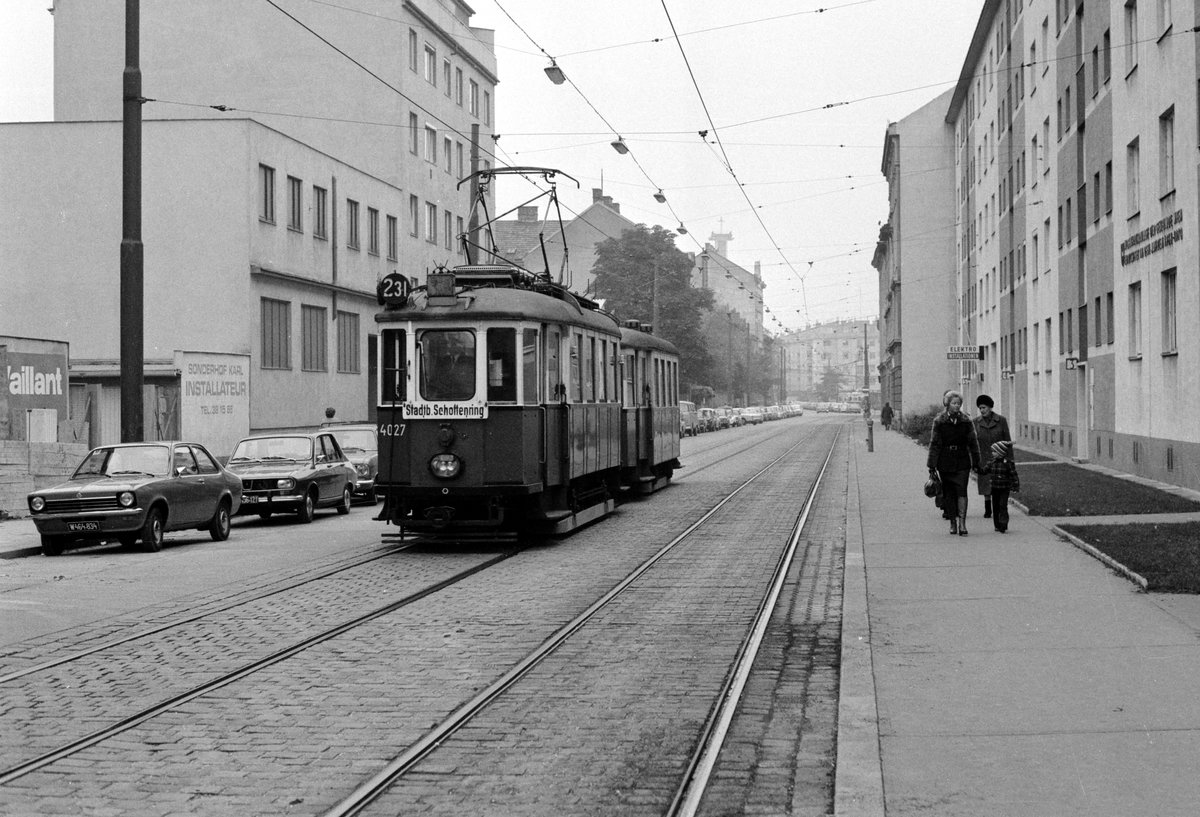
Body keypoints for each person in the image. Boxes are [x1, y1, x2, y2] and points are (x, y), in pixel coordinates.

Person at [927, 390, 982, 535]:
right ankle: (953, 523)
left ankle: (962, 523)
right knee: (949, 493)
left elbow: (973, 442)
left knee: (962, 491)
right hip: (944, 461)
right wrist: (931, 465)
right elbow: (934, 443)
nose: (957, 406)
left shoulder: (966, 421)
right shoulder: (939, 421)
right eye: (954, 403)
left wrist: (976, 461)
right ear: (947, 404)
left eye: (958, 403)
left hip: (962, 460)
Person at [972, 394, 1011, 519]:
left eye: (984, 407)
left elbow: (1007, 441)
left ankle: (999, 509)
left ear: (990, 407)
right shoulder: (976, 422)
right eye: (980, 408)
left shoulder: (1001, 420)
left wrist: (1010, 460)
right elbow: (972, 442)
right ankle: (988, 508)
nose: (982, 410)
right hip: (983, 457)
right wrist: (974, 460)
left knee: (998, 484)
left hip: (999, 459)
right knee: (985, 484)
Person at [981, 440, 1020, 532]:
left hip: (1004, 488)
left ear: (1000, 452)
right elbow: (984, 471)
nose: (992, 453)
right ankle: (997, 525)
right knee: (995, 506)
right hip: (995, 488)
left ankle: (1003, 523)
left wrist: (1015, 486)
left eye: (994, 451)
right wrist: (977, 469)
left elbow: (1014, 475)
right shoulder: (992, 463)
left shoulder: (1008, 464)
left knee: (1003, 505)